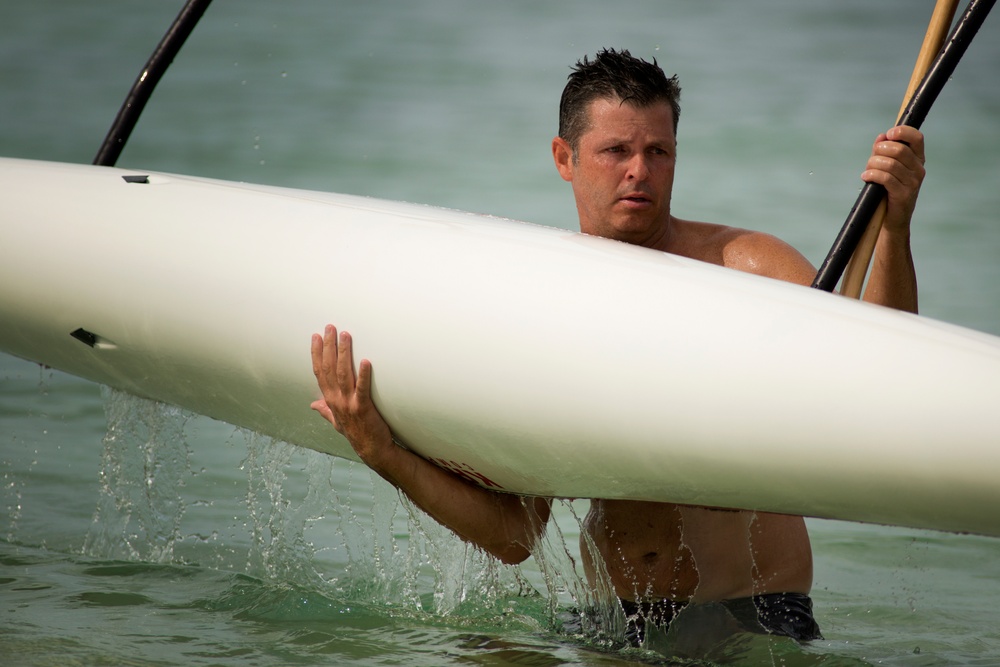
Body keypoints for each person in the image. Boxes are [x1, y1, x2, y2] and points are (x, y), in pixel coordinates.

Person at [310, 49, 924, 645]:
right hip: (611, 622)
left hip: (748, 616)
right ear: (564, 157)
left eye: (658, 151)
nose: (640, 171)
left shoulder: (747, 269)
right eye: (616, 151)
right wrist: (383, 452)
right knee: (486, 652)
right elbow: (514, 534)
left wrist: (894, 227)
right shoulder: (546, 309)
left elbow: (879, 379)